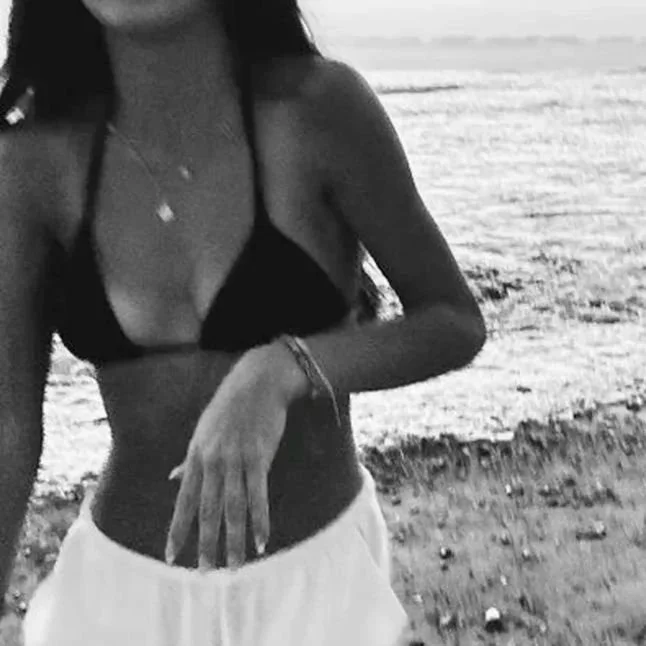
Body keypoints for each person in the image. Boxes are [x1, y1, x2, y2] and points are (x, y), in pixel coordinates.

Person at [0, 0, 486, 643]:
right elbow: (9, 426)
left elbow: (451, 320)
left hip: (315, 591)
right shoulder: (33, 162)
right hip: (116, 599)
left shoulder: (318, 111)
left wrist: (283, 370)